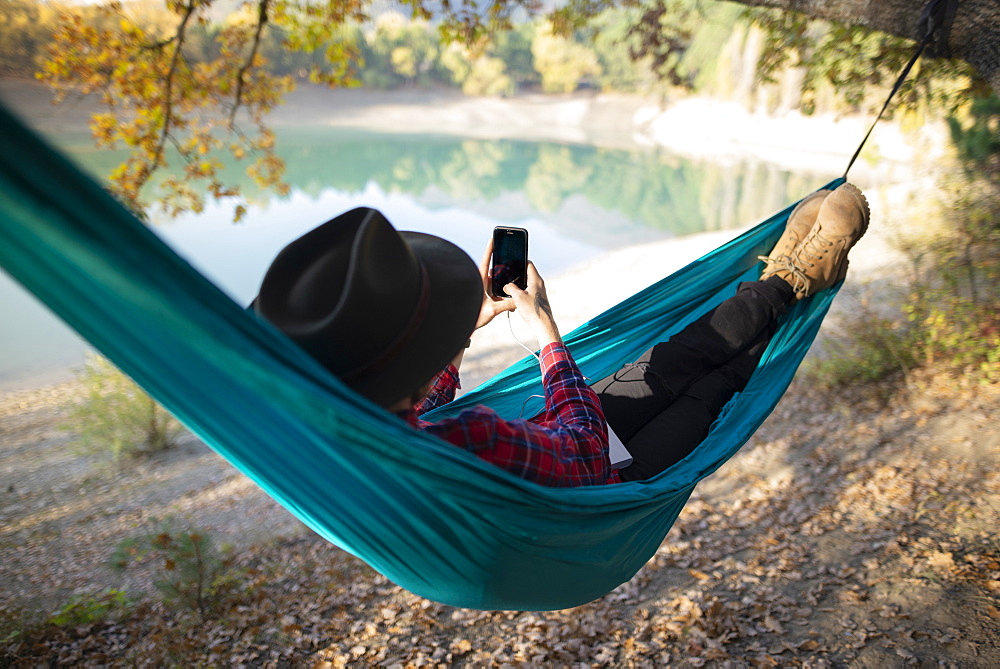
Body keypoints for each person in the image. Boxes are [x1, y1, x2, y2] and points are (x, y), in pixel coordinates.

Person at [253, 183, 870, 486]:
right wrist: (549, 337)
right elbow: (582, 448)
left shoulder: (361, 433)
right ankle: (796, 275)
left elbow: (421, 397)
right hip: (602, 485)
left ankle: (789, 280)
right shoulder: (462, 440)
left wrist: (470, 325)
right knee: (715, 389)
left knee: (681, 355)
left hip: (570, 442)